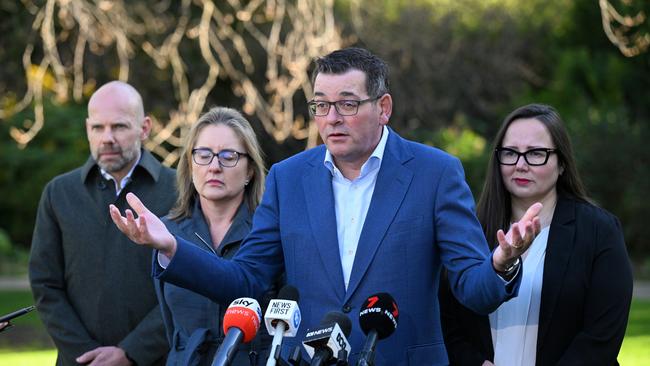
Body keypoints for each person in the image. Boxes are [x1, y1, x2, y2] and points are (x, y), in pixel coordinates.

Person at [110, 47, 541, 365]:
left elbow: (473, 289)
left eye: (348, 104)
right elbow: (247, 279)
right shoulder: (288, 177)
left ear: (383, 107)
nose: (331, 117)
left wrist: (502, 262)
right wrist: (170, 248)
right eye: (321, 104)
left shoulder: (435, 173)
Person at [439, 103, 633, 365]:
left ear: (561, 163)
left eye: (536, 153)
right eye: (510, 153)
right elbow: (446, 322)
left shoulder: (599, 231)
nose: (520, 164)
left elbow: (601, 337)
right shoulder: (470, 230)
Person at [29, 81, 176, 366]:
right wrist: (86, 354)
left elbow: (187, 285)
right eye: (98, 127)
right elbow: (45, 285)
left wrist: (131, 352)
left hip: (159, 360)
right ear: (87, 129)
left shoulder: (179, 191)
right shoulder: (59, 193)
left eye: (119, 127)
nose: (107, 138)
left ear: (144, 128)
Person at [151, 107, 273, 366]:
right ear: (190, 164)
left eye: (228, 156)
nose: (214, 167)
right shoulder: (167, 231)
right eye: (203, 155)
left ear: (250, 170)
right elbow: (170, 324)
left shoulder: (269, 230)